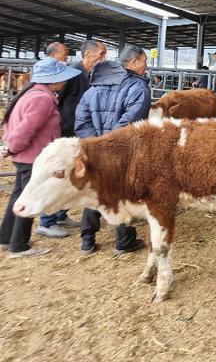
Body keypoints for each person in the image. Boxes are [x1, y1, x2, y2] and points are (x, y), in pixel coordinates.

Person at [0, 58, 81, 258]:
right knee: (29, 199)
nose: (64, 81)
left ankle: (6, 238)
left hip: (24, 156)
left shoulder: (30, 94)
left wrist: (9, 146)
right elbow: (26, 130)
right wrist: (11, 147)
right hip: (33, 157)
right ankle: (19, 246)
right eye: (61, 78)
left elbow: (10, 123)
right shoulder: (42, 99)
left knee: (18, 196)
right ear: (52, 79)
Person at [74, 45, 151, 256]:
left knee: (95, 188)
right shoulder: (138, 87)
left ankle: (87, 239)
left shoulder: (95, 85)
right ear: (133, 62)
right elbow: (132, 121)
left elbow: (82, 120)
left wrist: (95, 143)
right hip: (122, 150)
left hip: (94, 147)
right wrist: (110, 144)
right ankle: (124, 241)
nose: (146, 65)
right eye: (144, 60)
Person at [38, 39, 107, 237]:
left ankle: (60, 214)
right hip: (66, 130)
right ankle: (46, 222)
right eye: (101, 54)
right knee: (59, 173)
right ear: (88, 55)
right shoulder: (73, 73)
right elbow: (56, 99)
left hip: (80, 131)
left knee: (74, 173)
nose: (104, 58)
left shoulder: (93, 74)